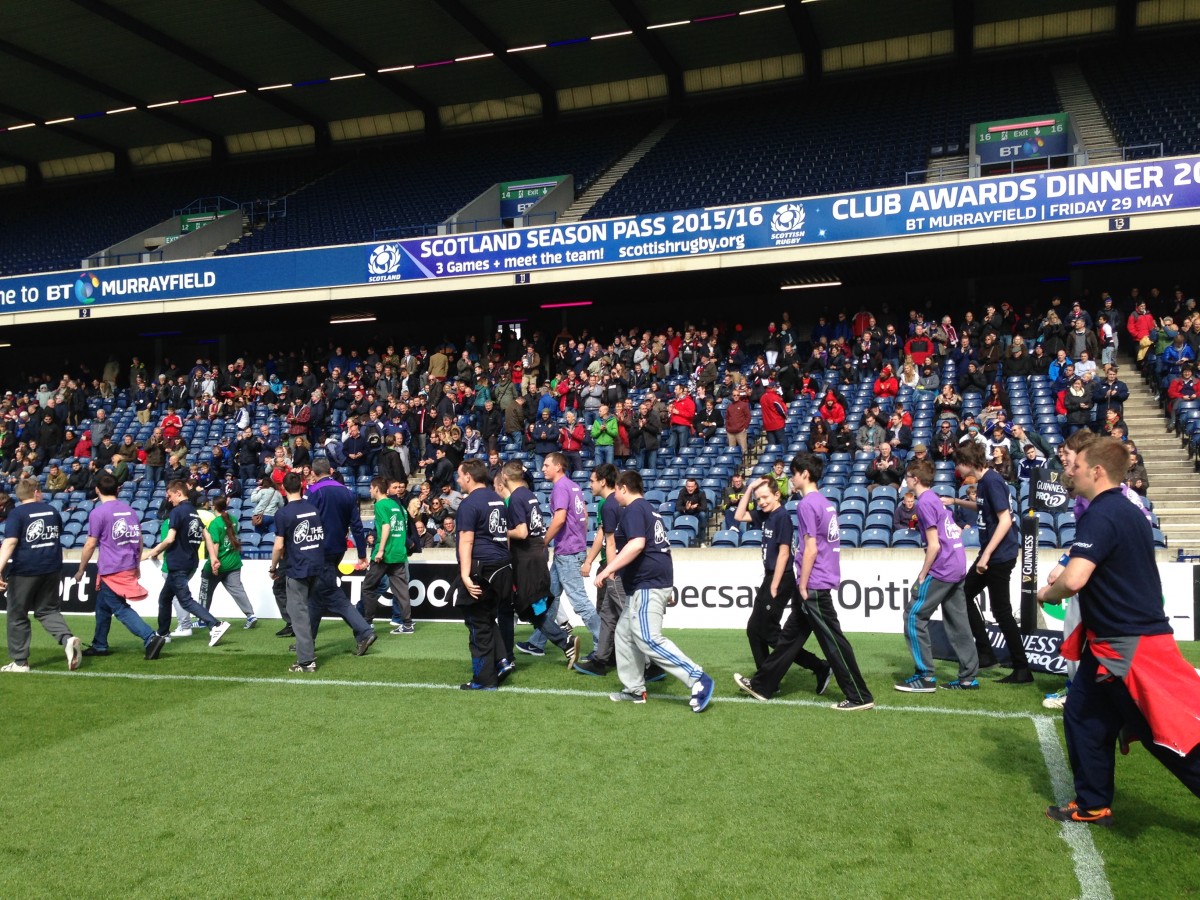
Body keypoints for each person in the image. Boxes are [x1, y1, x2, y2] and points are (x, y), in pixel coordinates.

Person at [1037, 436, 1200, 827]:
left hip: (1127, 646)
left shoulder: (1102, 513)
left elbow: (1074, 579)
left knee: (1163, 735)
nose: (1070, 472)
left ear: (1097, 471)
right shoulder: (1129, 510)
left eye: (1077, 466)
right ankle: (1093, 803)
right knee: (1083, 714)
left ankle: (1094, 800)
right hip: (1113, 642)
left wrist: (1046, 593)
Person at [734, 454, 874, 711]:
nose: (792, 478)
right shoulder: (825, 503)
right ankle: (763, 685)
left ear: (805, 475)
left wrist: (803, 584)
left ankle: (859, 696)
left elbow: (811, 549)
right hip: (815, 581)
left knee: (834, 641)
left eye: (795, 473)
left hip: (814, 584)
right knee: (789, 639)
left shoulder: (807, 504)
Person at [595, 470, 714, 711]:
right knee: (624, 634)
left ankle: (697, 677)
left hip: (647, 583)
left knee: (648, 638)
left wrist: (608, 569)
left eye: (616, 489)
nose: (615, 494)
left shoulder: (634, 509)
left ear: (623, 488)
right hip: (648, 582)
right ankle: (634, 689)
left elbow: (637, 544)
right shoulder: (649, 509)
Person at [944, 442, 1031, 683]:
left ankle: (1021, 668)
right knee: (963, 594)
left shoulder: (992, 481)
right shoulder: (984, 481)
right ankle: (985, 653)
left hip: (998, 556)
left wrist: (985, 556)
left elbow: (1005, 520)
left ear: (968, 462)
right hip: (993, 554)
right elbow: (983, 507)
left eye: (959, 464)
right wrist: (956, 501)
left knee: (1001, 611)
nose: (957, 469)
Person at [732, 475, 830, 688]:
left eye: (765, 497)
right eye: (758, 499)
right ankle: (766, 680)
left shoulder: (782, 516)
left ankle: (818, 666)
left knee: (769, 633)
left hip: (780, 579)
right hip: (770, 577)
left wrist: (774, 586)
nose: (761, 502)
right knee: (754, 630)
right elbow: (738, 515)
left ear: (777, 495)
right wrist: (750, 489)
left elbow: (784, 553)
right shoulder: (765, 515)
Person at [894, 459, 979, 692]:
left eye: (908, 476)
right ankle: (968, 678)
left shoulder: (923, 503)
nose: (906, 480)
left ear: (915, 479)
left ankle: (925, 676)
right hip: (957, 563)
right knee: (958, 622)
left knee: (913, 616)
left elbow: (934, 545)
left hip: (942, 567)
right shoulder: (936, 499)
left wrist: (923, 574)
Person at [494, 461, 577, 671]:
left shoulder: (516, 498)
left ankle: (563, 642)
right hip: (535, 554)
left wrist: (499, 532)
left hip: (526, 559)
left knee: (521, 607)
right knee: (527, 608)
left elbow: (522, 532)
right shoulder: (528, 494)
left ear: (505, 477)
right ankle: (564, 643)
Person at [75, 473, 167, 660]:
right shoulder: (129, 510)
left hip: (112, 568)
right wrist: (137, 563)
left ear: (97, 490)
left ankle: (150, 637)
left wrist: (81, 569)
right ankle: (100, 644)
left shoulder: (98, 513)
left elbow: (90, 544)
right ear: (117, 489)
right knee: (102, 606)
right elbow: (139, 539)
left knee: (119, 607)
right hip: (127, 564)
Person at [518, 452, 601, 657]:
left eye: (547, 465)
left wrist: (544, 542)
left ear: (558, 467)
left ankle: (604, 645)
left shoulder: (560, 487)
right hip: (571, 550)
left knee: (579, 602)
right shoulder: (574, 486)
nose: (543, 469)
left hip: (568, 553)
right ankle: (537, 642)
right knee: (551, 598)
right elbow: (585, 516)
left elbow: (560, 518)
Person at [0, 478, 82, 672]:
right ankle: (67, 639)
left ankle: (20, 662)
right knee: (48, 610)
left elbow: (10, 543)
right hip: (52, 568)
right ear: (36, 492)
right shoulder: (52, 511)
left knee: (17, 615)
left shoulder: (17, 513)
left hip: (25, 570)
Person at [449, 458, 513, 690]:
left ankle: (484, 679)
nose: (458, 480)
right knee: (486, 618)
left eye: (459, 475)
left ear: (468, 476)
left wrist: (465, 575)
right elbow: (505, 535)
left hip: (482, 569)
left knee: (478, 624)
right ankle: (502, 660)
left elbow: (466, 540)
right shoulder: (498, 499)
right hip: (502, 566)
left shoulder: (469, 504)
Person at [144, 481, 231, 647]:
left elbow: (170, 539)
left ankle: (215, 625)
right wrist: (213, 557)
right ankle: (163, 633)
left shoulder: (177, 512)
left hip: (178, 563)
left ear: (178, 493)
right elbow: (207, 535)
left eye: (170, 496)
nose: (169, 499)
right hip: (190, 562)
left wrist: (152, 552)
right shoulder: (194, 512)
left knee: (185, 600)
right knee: (165, 598)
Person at [305, 458, 377, 656]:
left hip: (319, 550)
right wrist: (362, 554)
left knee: (331, 594)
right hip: (338, 549)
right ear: (330, 471)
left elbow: (306, 520)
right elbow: (357, 525)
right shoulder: (346, 492)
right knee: (316, 595)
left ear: (313, 473)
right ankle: (306, 641)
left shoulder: (313, 492)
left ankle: (364, 632)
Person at [269, 472, 326, 672]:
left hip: (298, 567)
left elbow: (279, 546)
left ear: (283, 489)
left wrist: (273, 567)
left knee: (299, 614)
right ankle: (307, 652)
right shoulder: (313, 509)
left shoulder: (283, 513)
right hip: (317, 564)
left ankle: (306, 661)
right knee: (308, 610)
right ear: (302, 486)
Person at [360, 476, 413, 635]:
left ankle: (367, 623)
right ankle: (407, 624)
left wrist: (381, 550)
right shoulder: (397, 505)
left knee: (368, 587)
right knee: (401, 590)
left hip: (384, 555)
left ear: (376, 489)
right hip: (399, 553)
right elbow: (403, 527)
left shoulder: (380, 505)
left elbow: (386, 526)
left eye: (371, 488)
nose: (369, 490)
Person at [198, 495, 258, 628]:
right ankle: (250, 615)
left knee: (205, 591)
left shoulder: (215, 523)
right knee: (238, 591)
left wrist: (213, 563)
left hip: (219, 562)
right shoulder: (233, 519)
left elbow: (215, 545)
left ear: (214, 507)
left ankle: (202, 620)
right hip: (234, 562)